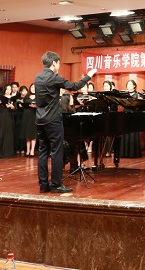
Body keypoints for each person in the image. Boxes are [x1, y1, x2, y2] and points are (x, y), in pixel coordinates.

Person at [35, 51, 96, 193]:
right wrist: (89, 75)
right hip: (53, 120)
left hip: (40, 119)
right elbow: (75, 86)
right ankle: (56, 184)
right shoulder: (54, 78)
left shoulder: (37, 77)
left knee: (43, 152)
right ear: (54, 63)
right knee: (56, 151)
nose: (59, 66)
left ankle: (43, 184)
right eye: (58, 63)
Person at [21, 84, 37, 156]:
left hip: (34, 115)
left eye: (34, 87)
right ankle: (27, 150)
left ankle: (32, 150)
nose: (33, 88)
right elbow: (24, 105)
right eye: (32, 87)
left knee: (33, 133)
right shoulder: (26, 97)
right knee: (27, 134)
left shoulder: (38, 97)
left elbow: (41, 106)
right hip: (27, 115)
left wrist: (35, 106)